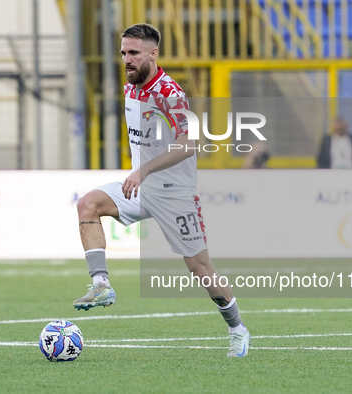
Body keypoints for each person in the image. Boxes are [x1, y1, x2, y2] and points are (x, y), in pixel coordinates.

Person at [73, 24, 250, 357]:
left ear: (153, 54)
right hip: (140, 186)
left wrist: (143, 169)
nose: (126, 59)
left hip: (175, 193)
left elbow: (190, 143)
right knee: (88, 205)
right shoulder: (131, 89)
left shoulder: (170, 93)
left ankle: (237, 328)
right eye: (124, 52)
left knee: (200, 269)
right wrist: (140, 172)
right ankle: (101, 285)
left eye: (134, 53)